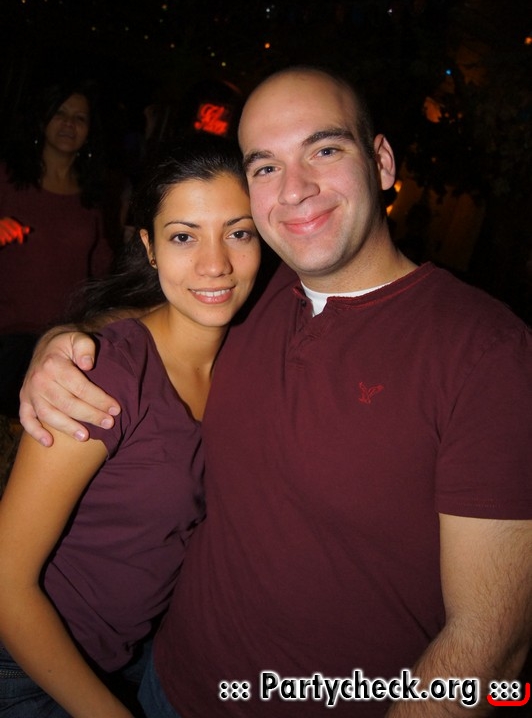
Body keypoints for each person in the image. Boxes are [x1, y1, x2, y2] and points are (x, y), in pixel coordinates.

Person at [17, 66, 532, 717]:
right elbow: (165, 313)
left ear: (380, 161)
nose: (295, 188)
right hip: (162, 684)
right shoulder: (254, 294)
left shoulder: (487, 353)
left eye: (324, 149)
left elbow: (489, 649)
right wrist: (66, 342)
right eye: (265, 166)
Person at [0, 136, 261, 717]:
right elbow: (5, 582)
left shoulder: (247, 357)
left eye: (238, 233)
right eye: (184, 236)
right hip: (27, 672)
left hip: (128, 655)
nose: (215, 263)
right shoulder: (106, 374)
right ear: (149, 246)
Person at [0, 80, 117, 417]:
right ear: (43, 119)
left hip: (64, 336)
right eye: (61, 114)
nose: (69, 123)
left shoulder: (93, 195)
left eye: (80, 118)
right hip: (7, 333)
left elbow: (102, 269)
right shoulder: (7, 177)